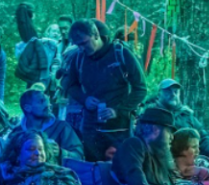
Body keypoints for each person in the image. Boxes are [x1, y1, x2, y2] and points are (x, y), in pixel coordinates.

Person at [62, 18, 147, 161]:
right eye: (78, 45)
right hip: (90, 128)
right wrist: (84, 99)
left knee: (120, 168)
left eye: (84, 43)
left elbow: (140, 88)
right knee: (92, 169)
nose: (82, 48)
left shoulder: (121, 53)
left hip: (119, 128)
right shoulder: (78, 57)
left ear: (95, 34)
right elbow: (70, 85)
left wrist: (118, 110)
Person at [4, 87, 84, 166]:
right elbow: (6, 160)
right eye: (41, 101)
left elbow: (80, 157)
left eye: (47, 101)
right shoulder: (17, 133)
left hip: (53, 177)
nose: (48, 104)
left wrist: (61, 153)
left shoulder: (62, 128)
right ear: (27, 108)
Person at [15, 19, 62, 93]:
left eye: (58, 32)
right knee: (31, 96)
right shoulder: (40, 43)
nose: (56, 33)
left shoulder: (60, 47)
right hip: (35, 76)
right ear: (48, 33)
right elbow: (23, 48)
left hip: (50, 79)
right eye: (54, 31)